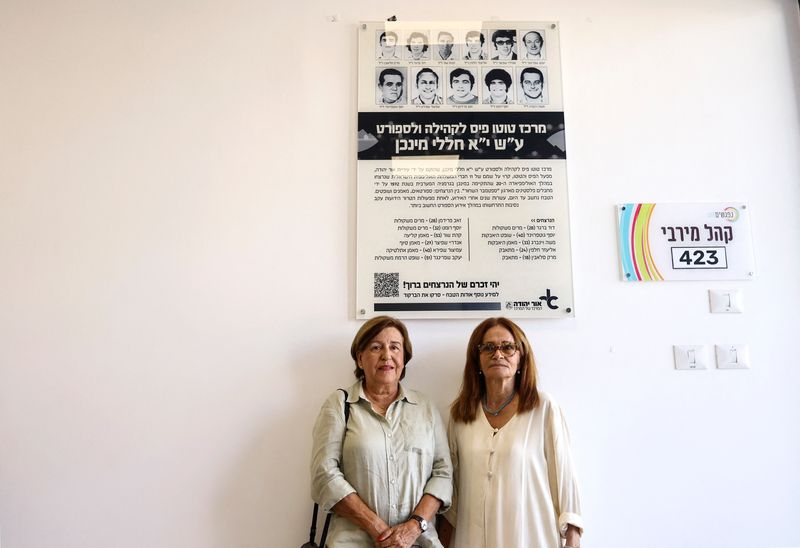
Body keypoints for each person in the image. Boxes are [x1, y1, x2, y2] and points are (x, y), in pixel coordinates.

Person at [440, 317, 583, 548]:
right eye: (488, 347)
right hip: (472, 539)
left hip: (532, 537)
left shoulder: (543, 408)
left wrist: (573, 539)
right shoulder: (461, 415)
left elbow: (564, 477)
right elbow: (453, 490)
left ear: (521, 357)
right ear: (477, 360)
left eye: (508, 347)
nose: (498, 354)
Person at [311, 316, 453, 548]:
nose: (387, 355)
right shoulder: (339, 405)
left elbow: (443, 473)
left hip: (418, 543)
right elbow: (324, 475)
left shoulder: (425, 408)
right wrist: (379, 530)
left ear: (404, 358)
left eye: (394, 347)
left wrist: (413, 527)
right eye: (376, 347)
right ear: (359, 358)